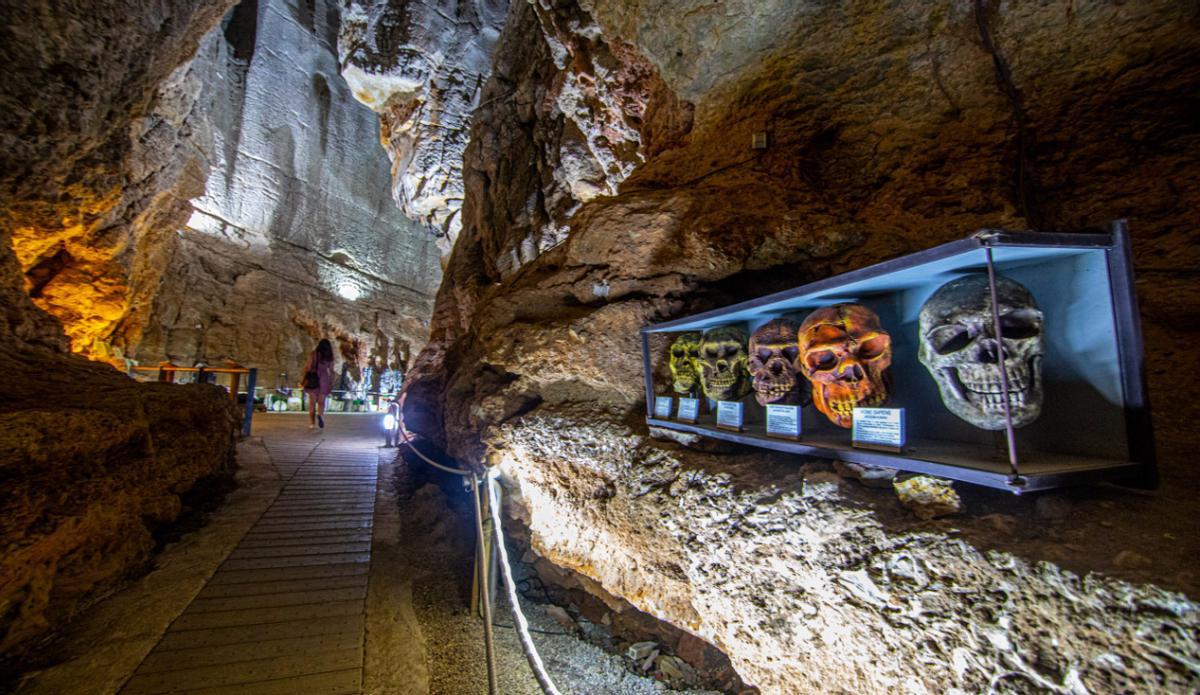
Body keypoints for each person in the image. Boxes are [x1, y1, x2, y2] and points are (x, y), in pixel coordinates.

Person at [301, 339, 336, 429]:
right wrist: (331, 382)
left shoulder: (313, 354)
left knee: (312, 402)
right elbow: (332, 371)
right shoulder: (329, 356)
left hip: (314, 378)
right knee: (321, 402)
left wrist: (303, 380)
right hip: (324, 379)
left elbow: (307, 368)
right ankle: (320, 415)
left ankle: (312, 423)